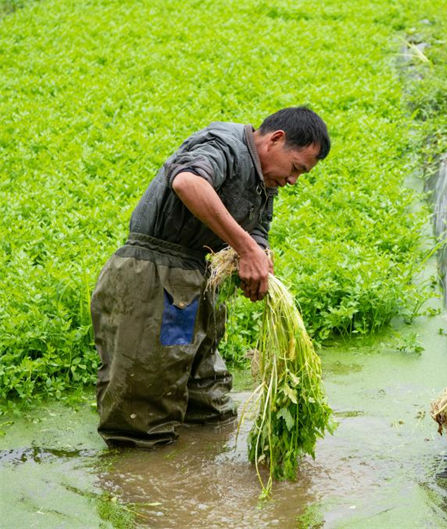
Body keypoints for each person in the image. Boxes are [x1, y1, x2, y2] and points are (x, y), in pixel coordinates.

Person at [90, 106, 330, 447]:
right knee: (145, 399)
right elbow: (187, 181)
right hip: (152, 278)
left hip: (190, 286)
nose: (293, 180)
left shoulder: (264, 181)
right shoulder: (224, 145)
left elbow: (257, 228)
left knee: (205, 396)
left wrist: (260, 255)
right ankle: (139, 486)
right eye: (296, 169)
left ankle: (198, 471)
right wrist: (246, 249)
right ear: (276, 139)